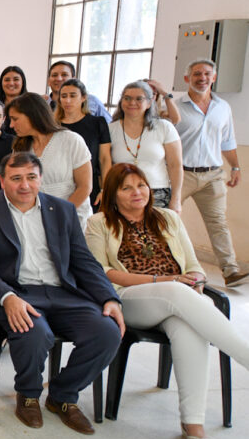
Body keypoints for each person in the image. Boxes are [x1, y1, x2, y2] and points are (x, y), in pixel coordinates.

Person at [86, 163, 249, 439]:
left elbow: (194, 268)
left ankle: (193, 424)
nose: (137, 192)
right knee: (176, 292)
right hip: (131, 300)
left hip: (180, 298)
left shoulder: (169, 218)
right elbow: (103, 272)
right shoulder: (99, 223)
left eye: (141, 185)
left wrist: (195, 286)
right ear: (113, 194)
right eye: (127, 188)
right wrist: (167, 280)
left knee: (187, 326)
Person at [0, 151, 123, 434]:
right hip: (17, 292)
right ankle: (28, 394)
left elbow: (83, 260)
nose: (24, 185)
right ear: (2, 181)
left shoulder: (61, 210)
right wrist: (7, 297)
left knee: (108, 332)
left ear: (40, 179)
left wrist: (109, 297)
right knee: (35, 332)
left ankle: (63, 395)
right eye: (16, 179)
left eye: (31, 177)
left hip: (63, 292)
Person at [172, 58, 248, 285]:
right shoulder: (176, 107)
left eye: (207, 74)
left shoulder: (222, 107)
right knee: (167, 220)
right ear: (187, 79)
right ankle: (172, 267)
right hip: (180, 174)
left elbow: (227, 141)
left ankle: (230, 271)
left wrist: (235, 166)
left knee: (218, 223)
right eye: (197, 74)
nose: (202, 78)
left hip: (213, 174)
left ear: (213, 78)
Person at [7, 93, 93, 227]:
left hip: (73, 219)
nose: (11, 125)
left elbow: (85, 187)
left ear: (32, 115)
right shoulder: (20, 147)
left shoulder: (71, 140)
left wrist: (60, 216)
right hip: (37, 223)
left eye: (15, 119)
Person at [109, 80, 183, 212]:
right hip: (121, 193)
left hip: (157, 193)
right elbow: (105, 163)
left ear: (149, 103)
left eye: (139, 99)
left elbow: (175, 165)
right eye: (127, 98)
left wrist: (176, 199)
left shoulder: (164, 127)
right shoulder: (110, 129)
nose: (132, 103)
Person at [55, 78, 111, 209]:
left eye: (73, 96)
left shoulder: (98, 123)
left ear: (83, 98)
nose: (67, 100)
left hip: (90, 186)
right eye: (64, 96)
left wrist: (105, 190)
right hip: (59, 185)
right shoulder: (53, 125)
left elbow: (104, 159)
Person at [46, 61, 111, 121]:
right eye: (54, 75)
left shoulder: (92, 101)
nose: (59, 79)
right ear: (48, 81)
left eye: (64, 75)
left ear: (73, 79)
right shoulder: (42, 103)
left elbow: (110, 127)